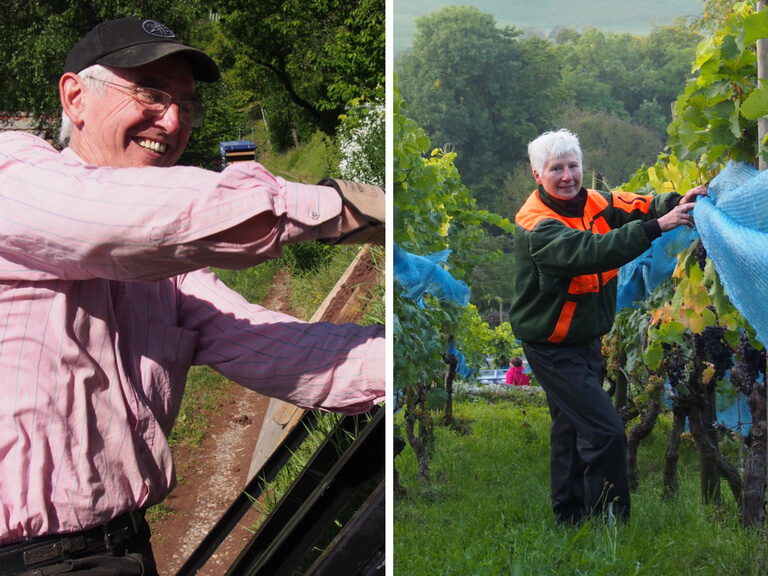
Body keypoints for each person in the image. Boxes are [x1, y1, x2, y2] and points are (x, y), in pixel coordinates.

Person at [0, 17, 384, 575]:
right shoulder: (13, 177)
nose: (174, 120)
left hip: (122, 552)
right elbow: (127, 219)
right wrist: (344, 209)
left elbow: (285, 350)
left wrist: (410, 359)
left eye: (186, 104)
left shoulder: (170, 277)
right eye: (151, 93)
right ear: (75, 96)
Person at [508, 129, 706, 525]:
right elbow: (591, 252)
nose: (567, 176)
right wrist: (658, 227)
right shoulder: (536, 225)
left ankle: (570, 517)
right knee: (606, 432)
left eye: (573, 166)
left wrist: (672, 203)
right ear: (536, 175)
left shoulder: (593, 201)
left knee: (568, 428)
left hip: (585, 338)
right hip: (550, 345)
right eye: (556, 169)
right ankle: (608, 519)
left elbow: (637, 205)